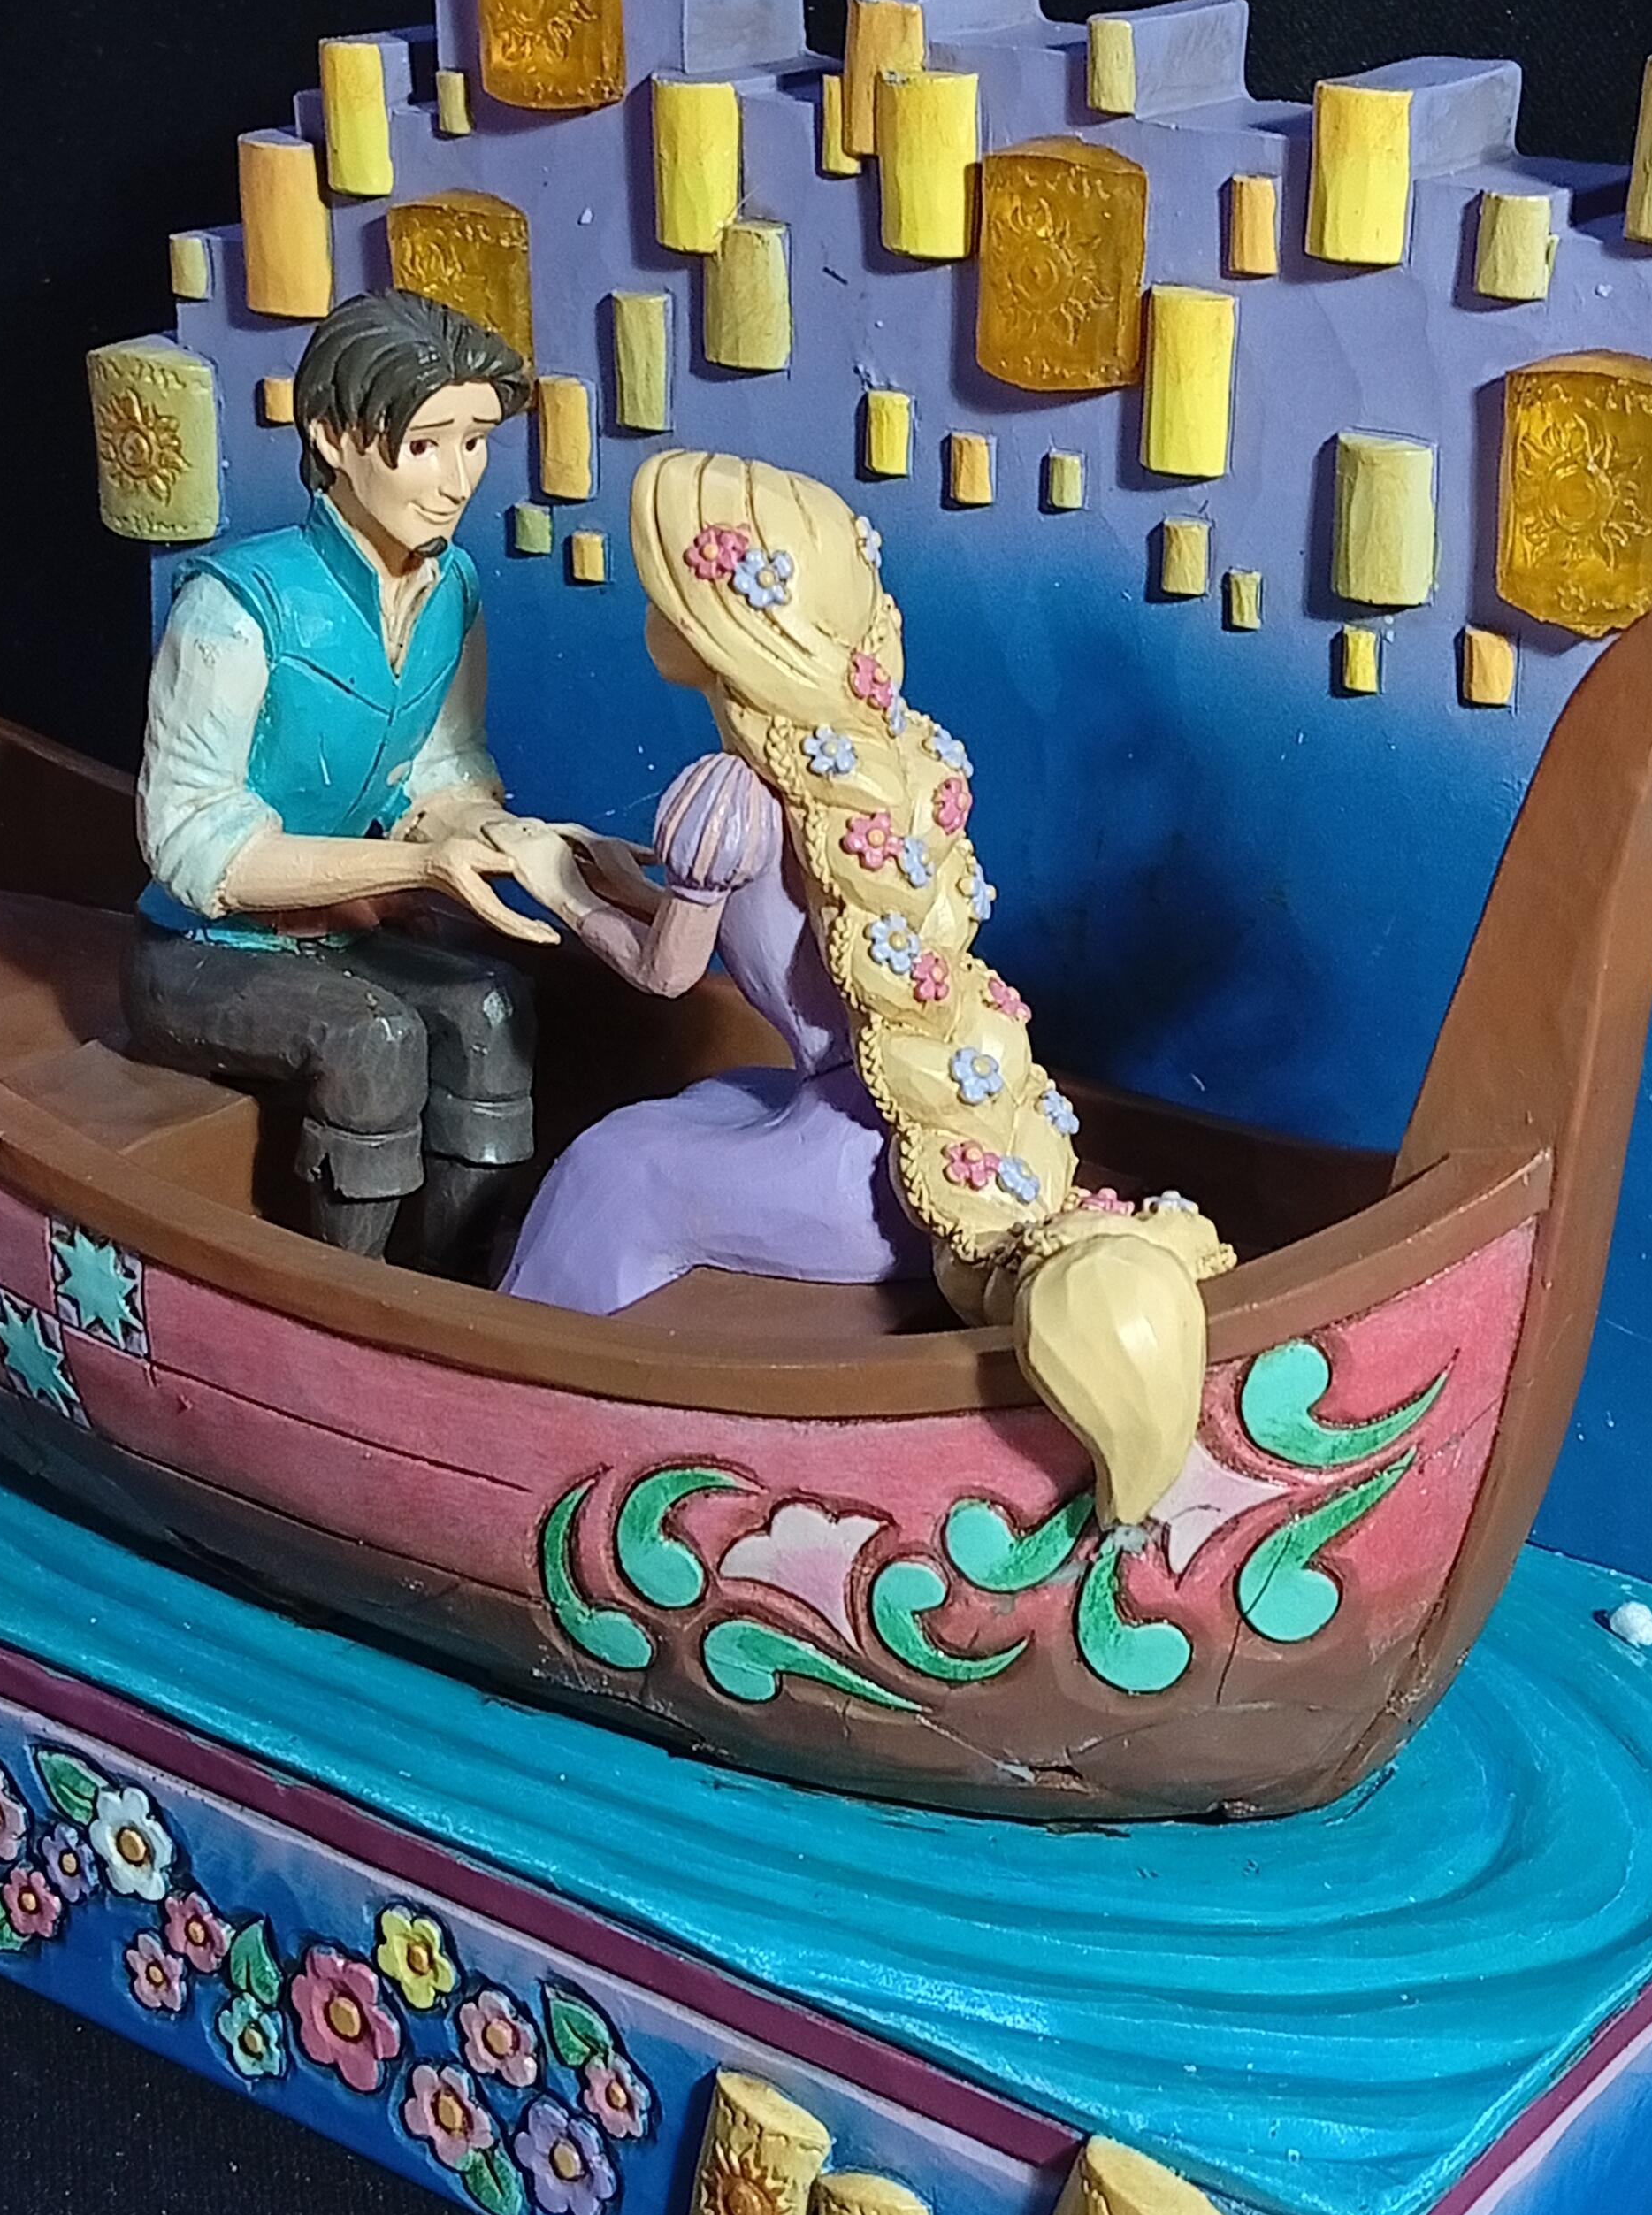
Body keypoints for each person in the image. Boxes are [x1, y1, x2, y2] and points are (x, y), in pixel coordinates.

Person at [501, 449, 1236, 1529]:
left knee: (617, 1167)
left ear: (711, 628)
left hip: (866, 1169)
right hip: (902, 1128)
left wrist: (561, 888)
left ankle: (518, 1416)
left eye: (665, 592)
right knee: (717, 1098)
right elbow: (767, 930)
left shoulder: (731, 796)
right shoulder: (877, 767)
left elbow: (668, 971)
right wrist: (625, 878)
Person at [124, 288, 611, 1277]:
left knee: (491, 1011)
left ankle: (454, 1290)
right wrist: (420, 870)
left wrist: (505, 838)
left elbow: (439, 771)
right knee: (374, 1041)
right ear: (333, 437)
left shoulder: (452, 589)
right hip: (203, 953)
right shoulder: (235, 607)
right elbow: (194, 845)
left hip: (347, 931)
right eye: (425, 445)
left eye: (474, 443)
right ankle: (344, 1296)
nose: (456, 480)